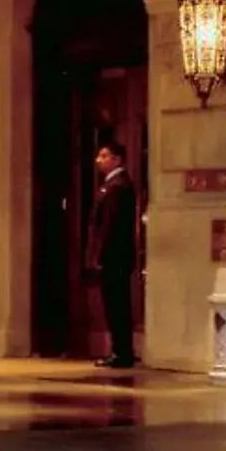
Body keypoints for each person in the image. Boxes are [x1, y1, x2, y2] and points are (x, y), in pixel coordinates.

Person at [86, 130, 138, 370]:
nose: (99, 160)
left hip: (114, 258)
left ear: (117, 160)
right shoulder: (110, 185)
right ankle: (119, 350)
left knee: (117, 305)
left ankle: (122, 352)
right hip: (113, 257)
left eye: (104, 156)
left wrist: (99, 256)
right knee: (113, 304)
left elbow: (109, 225)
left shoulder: (118, 185)